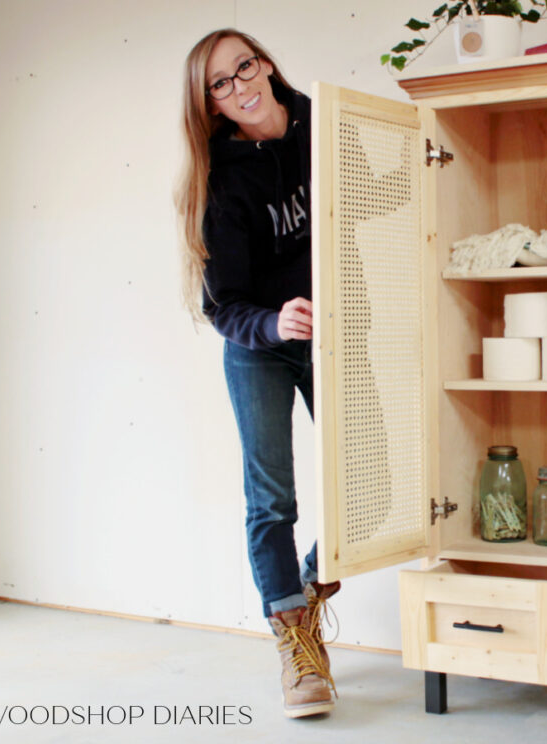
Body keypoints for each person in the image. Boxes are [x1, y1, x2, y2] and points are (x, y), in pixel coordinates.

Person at [175, 28, 339, 718]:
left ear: (266, 64)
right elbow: (224, 304)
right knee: (272, 501)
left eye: (244, 67)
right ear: (210, 103)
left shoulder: (327, 126)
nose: (240, 85)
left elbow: (373, 198)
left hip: (336, 337)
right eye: (221, 83)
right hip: (260, 343)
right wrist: (274, 323)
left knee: (375, 479)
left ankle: (301, 589)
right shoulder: (220, 183)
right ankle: (296, 644)